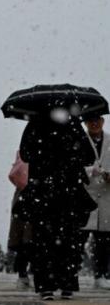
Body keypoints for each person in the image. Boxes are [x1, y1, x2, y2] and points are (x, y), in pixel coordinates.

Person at [17, 114, 96, 300]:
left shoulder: (35, 124)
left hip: (43, 191)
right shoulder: (73, 124)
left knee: (44, 238)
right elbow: (88, 156)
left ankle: (46, 286)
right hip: (68, 192)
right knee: (68, 238)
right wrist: (69, 154)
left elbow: (25, 154)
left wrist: (45, 154)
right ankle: (66, 283)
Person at [82, 114, 110, 289]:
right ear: (85, 122)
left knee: (105, 241)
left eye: (97, 120)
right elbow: (72, 166)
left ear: (103, 121)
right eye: (90, 120)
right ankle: (69, 275)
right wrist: (91, 170)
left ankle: (101, 276)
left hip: (107, 198)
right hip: (84, 197)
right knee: (77, 239)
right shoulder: (78, 140)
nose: (94, 123)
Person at [7, 150, 33, 289]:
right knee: (27, 238)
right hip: (28, 198)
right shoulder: (24, 151)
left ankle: (24, 274)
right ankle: (24, 273)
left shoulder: (23, 151)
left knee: (26, 239)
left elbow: (14, 174)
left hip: (26, 197)